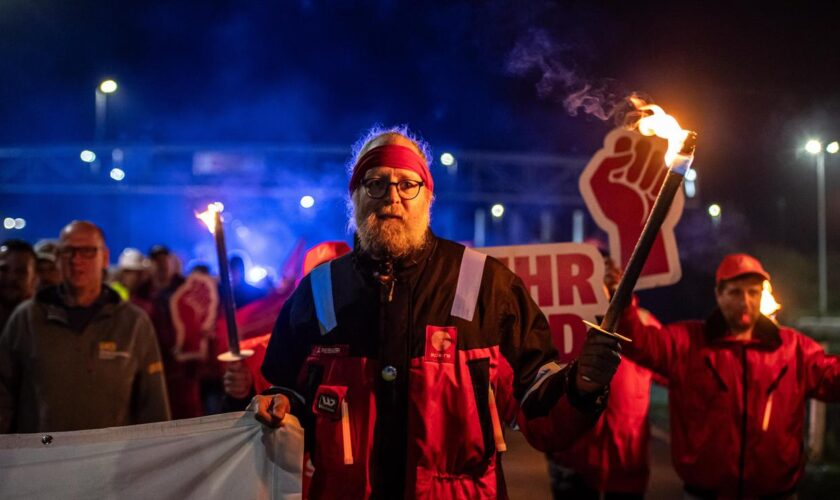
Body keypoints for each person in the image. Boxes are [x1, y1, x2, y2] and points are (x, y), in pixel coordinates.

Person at [253, 126, 622, 498]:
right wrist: (276, 403)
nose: (391, 197)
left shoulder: (488, 284)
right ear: (355, 197)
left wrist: (581, 387)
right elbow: (284, 391)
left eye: (407, 184)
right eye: (375, 183)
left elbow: (537, 409)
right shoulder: (319, 289)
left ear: (428, 196)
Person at [618, 253, 840, 498]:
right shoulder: (688, 343)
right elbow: (639, 342)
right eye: (735, 292)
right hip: (706, 494)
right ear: (719, 295)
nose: (746, 301)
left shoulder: (793, 349)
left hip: (777, 494)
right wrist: (623, 300)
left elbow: (833, 378)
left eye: (753, 292)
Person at [0, 221, 170, 433]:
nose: (76, 260)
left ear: (105, 258)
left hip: (110, 461)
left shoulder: (134, 323)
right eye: (68, 251)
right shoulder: (27, 319)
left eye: (88, 251)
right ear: (59, 258)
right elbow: (4, 397)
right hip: (41, 460)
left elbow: (153, 404)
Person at [549, 256, 662, 499]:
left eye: (610, 275)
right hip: (574, 459)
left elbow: (671, 371)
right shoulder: (567, 324)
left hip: (626, 462)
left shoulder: (643, 323)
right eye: (596, 276)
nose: (604, 282)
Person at [0, 240, 37, 331]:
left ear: (34, 279)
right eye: (3, 269)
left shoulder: (44, 329)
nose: (12, 277)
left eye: (21, 271)